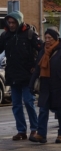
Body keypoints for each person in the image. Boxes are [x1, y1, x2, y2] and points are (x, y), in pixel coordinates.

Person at [0, 11, 42, 140]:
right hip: (13, 75)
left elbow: (42, 50)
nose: (11, 25)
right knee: (16, 105)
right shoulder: (6, 35)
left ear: (19, 21)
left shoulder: (30, 34)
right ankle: (21, 130)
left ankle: (34, 129)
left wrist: (36, 66)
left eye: (13, 22)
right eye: (9, 22)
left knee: (29, 102)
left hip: (28, 75)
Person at [29, 28, 61, 144]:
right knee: (43, 110)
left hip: (59, 86)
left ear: (56, 38)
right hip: (45, 86)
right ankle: (41, 134)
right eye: (46, 37)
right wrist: (31, 84)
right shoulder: (43, 52)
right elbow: (37, 69)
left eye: (50, 38)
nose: (47, 40)